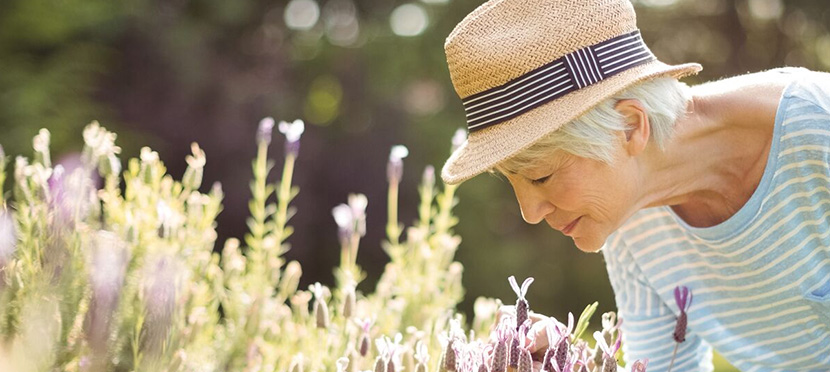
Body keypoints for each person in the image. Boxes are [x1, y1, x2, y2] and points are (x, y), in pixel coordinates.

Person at [440, 0, 830, 371]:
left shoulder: (818, 129)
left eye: (541, 176)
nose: (529, 212)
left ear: (630, 126)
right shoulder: (628, 217)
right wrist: (571, 360)